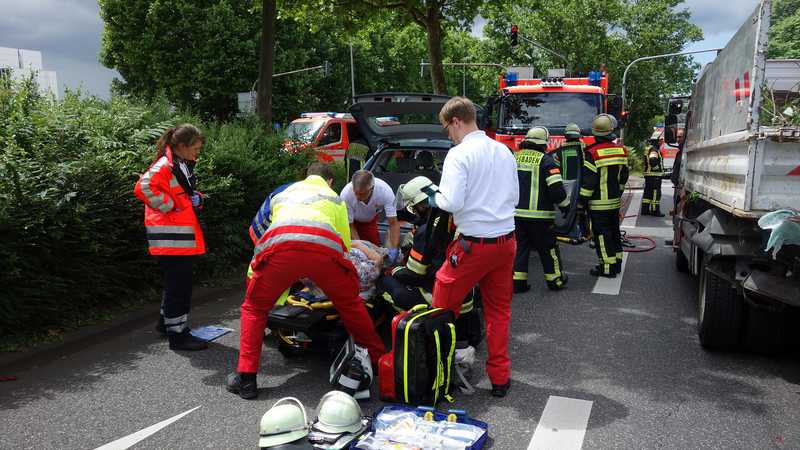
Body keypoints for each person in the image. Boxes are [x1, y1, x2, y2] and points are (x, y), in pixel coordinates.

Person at [227, 163, 385, 399]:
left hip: (279, 249)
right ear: (330, 181)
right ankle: (377, 359)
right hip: (322, 252)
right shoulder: (335, 199)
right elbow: (343, 245)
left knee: (254, 309)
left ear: (306, 176)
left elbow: (259, 227)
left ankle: (246, 379)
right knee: (351, 305)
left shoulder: (283, 193)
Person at [424, 96, 519, 398]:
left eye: (446, 129)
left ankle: (436, 375)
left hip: (473, 245)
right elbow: (513, 196)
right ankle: (500, 378)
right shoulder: (503, 150)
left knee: (441, 306)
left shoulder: (459, 154)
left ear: (456, 121)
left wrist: (431, 196)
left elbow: (451, 202)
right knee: (498, 312)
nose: (448, 136)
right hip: (506, 243)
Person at [377, 176, 482, 347]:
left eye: (413, 207)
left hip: (440, 300)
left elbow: (414, 275)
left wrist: (393, 269)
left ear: (421, 204)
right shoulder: (457, 213)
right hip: (466, 298)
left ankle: (413, 328)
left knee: (385, 282)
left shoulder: (428, 231)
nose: (414, 212)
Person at [134, 124, 208, 351]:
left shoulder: (179, 164)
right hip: (172, 237)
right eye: (195, 148)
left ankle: (165, 325)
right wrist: (171, 205)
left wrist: (197, 199)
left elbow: (182, 195)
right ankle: (178, 336)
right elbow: (142, 187)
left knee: (175, 285)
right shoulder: (166, 166)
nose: (197, 152)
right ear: (181, 146)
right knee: (179, 287)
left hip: (177, 236)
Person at [513, 127, 570, 293]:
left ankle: (518, 283)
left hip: (515, 215)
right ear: (544, 143)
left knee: (520, 248)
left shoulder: (514, 158)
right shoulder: (547, 161)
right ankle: (555, 280)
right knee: (548, 248)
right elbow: (557, 190)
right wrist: (566, 206)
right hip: (541, 217)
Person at [580, 114, 629, 278]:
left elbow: (589, 183)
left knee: (601, 235)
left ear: (595, 133)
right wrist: (619, 191)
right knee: (614, 232)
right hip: (614, 202)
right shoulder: (621, 150)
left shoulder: (592, 153)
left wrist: (581, 203)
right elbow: (624, 176)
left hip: (598, 204)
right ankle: (616, 264)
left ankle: (607, 268)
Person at [340, 170, 401, 263]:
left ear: (371, 189)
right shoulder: (346, 194)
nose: (357, 196)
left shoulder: (385, 192)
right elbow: (350, 225)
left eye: (361, 194)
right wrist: (361, 248)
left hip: (370, 222)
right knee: (357, 255)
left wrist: (394, 249)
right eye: (355, 192)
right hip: (352, 224)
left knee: (376, 255)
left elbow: (393, 223)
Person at [641, 132, 665, 217]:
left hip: (649, 175)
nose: (662, 142)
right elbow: (653, 160)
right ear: (657, 141)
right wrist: (657, 170)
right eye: (660, 140)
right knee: (655, 193)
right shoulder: (654, 150)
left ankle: (645, 210)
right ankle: (655, 211)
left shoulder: (649, 148)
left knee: (647, 193)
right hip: (654, 176)